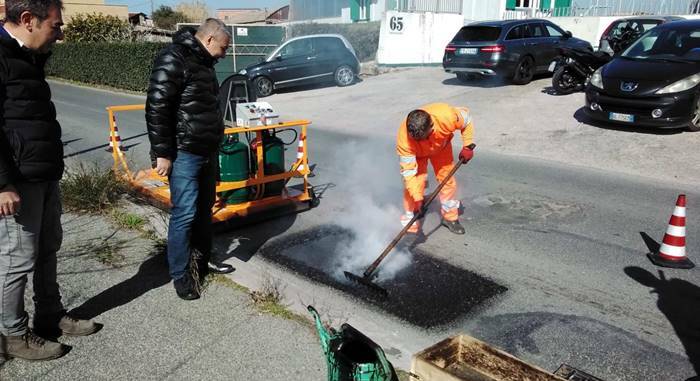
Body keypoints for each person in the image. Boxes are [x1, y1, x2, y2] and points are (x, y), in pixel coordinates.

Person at [0, 0, 100, 361]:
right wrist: (3, 184)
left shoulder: (29, 57)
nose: (60, 33)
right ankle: (13, 335)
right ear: (28, 20)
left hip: (43, 174)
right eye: (55, 25)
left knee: (48, 248)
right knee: (17, 260)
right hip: (17, 181)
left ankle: (50, 316)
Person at [146, 18, 235, 301]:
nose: (223, 54)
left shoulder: (205, 63)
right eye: (222, 48)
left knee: (204, 209)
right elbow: (157, 106)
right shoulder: (174, 58)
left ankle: (199, 262)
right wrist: (162, 152)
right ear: (209, 40)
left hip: (206, 151)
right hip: (184, 153)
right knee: (184, 213)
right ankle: (180, 274)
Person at [396, 103, 475, 235]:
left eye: (425, 137)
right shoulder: (404, 140)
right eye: (418, 140)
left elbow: (467, 120)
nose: (423, 141)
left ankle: (450, 217)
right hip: (417, 155)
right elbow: (408, 173)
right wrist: (417, 198)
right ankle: (412, 219)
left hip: (441, 148)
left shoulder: (446, 116)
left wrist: (467, 145)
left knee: (447, 180)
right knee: (415, 183)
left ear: (432, 126)